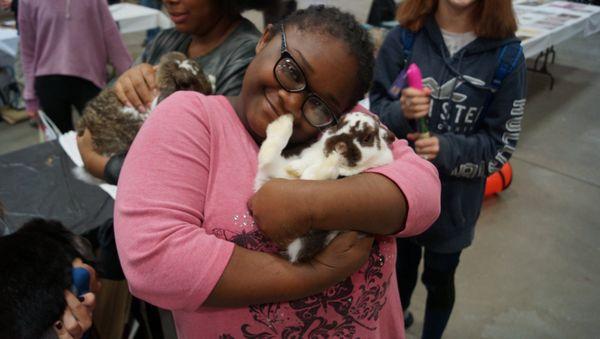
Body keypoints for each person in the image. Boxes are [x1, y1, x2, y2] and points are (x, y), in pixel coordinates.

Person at [114, 6, 441, 338]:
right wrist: (316, 273)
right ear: (265, 39)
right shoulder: (193, 120)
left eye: (319, 104)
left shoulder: (346, 130)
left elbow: (425, 192)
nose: (292, 102)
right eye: (292, 71)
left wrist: (310, 204)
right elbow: (153, 261)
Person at [369, 0, 526, 338]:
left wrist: (447, 149)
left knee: (441, 277)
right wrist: (402, 111)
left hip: (455, 207)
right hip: (401, 197)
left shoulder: (506, 57)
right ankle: (400, 319)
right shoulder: (403, 40)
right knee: (397, 272)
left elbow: (501, 145)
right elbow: (374, 114)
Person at [78, 0, 268, 184]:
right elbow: (112, 98)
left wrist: (104, 167)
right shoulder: (167, 39)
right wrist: (126, 82)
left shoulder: (245, 57)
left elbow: (204, 166)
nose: (169, 1)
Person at [18, 0, 132, 133]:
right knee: (60, 142)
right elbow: (28, 50)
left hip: (90, 79)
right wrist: (30, 95)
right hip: (48, 82)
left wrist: (130, 77)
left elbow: (112, 37)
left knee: (103, 137)